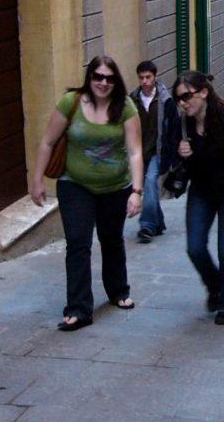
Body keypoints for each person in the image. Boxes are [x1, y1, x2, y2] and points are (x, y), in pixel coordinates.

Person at [30, 56, 143, 331]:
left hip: (115, 187)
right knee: (78, 243)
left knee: (111, 239)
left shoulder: (126, 107)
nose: (103, 83)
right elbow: (47, 141)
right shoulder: (71, 102)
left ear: (116, 81)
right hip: (75, 184)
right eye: (98, 76)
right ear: (89, 78)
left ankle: (118, 290)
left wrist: (137, 191)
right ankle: (79, 308)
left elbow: (135, 151)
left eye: (109, 78)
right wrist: (37, 180)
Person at [161, 71, 224, 325]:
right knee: (194, 247)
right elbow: (177, 158)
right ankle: (215, 285)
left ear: (203, 92)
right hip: (201, 193)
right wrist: (181, 153)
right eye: (178, 99)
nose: (183, 103)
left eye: (186, 96)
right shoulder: (185, 124)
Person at [130, 60, 171, 243]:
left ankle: (147, 225)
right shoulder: (133, 100)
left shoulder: (165, 100)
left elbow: (174, 127)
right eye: (141, 78)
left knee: (150, 182)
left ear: (155, 77)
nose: (145, 81)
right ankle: (158, 221)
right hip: (138, 151)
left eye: (148, 77)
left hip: (156, 150)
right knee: (151, 186)